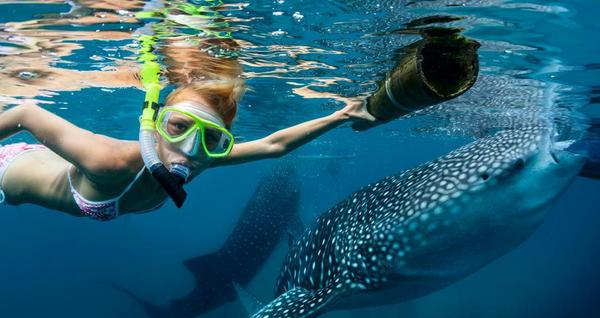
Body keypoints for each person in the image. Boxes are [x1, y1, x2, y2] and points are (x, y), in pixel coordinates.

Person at [0, 79, 375, 221]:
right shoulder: (107, 160)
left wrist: (342, 116)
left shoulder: (202, 160)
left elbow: (273, 145)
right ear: (156, 125)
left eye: (212, 138)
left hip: (43, 164)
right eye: (178, 127)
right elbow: (25, 112)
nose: (189, 150)